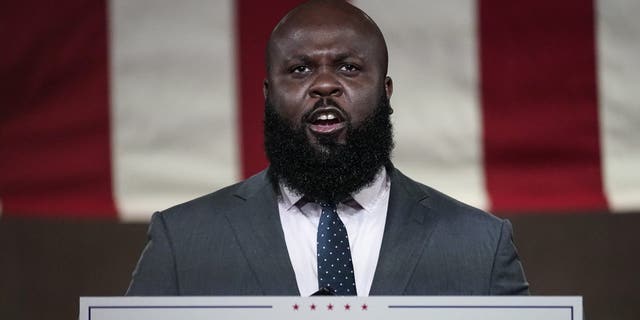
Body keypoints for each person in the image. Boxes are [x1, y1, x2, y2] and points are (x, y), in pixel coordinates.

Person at [126, 0, 529, 296]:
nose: (323, 85)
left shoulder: (480, 245)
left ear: (386, 92)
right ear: (268, 95)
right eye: (300, 69)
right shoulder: (183, 241)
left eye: (348, 68)